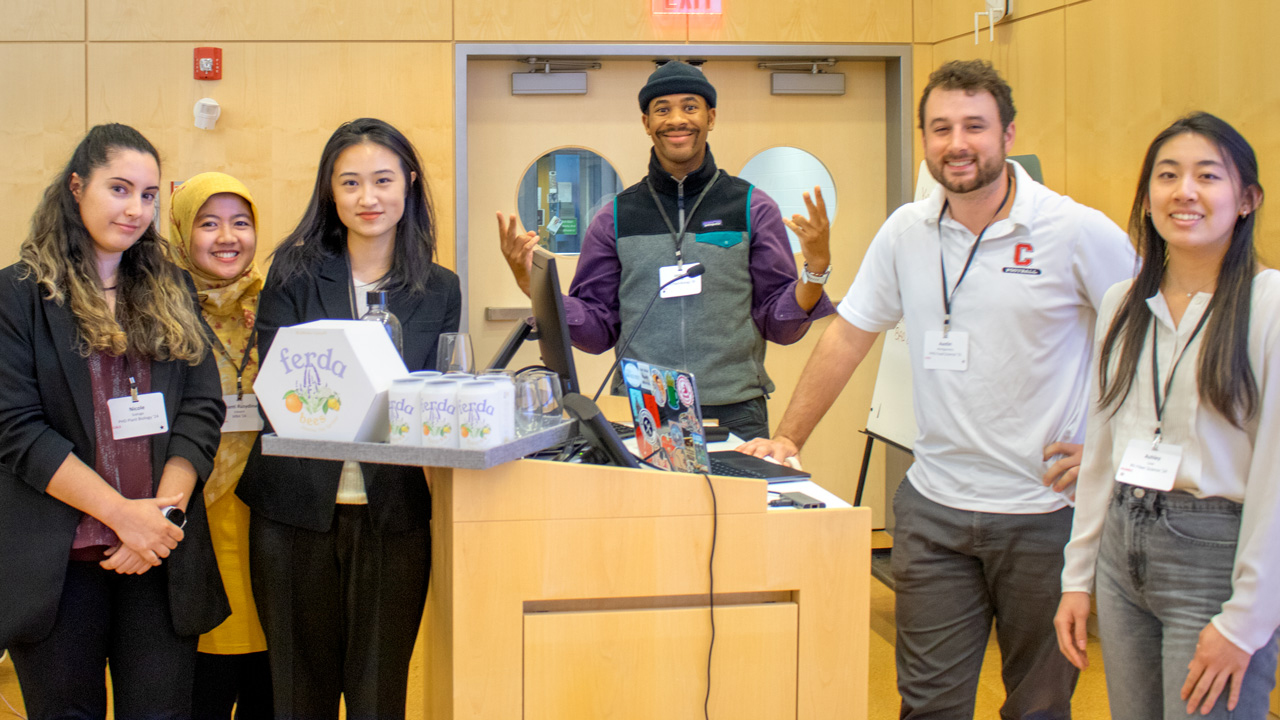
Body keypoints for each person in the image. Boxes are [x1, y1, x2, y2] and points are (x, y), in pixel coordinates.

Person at [740, 59, 1137, 718]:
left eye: (975, 126)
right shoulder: (906, 233)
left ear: (1008, 135)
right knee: (928, 708)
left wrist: (1108, 449)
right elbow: (847, 335)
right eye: (941, 127)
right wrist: (788, 436)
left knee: (1038, 709)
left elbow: (1148, 340)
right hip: (934, 514)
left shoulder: (1075, 231)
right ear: (925, 139)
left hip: (1045, 519)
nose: (958, 143)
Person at [1054, 112, 1280, 719]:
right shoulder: (1122, 304)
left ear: (1247, 198)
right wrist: (1078, 577)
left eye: (1208, 176)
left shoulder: (1269, 306)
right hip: (1124, 550)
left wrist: (1245, 621)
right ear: (1148, 197)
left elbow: (1276, 482)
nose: (1184, 192)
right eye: (1167, 175)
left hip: (1214, 557)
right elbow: (1101, 452)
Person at [0, 123, 229, 718]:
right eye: (120, 189)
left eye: (149, 195)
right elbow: (17, 431)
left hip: (158, 557)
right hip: (58, 564)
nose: (135, 209)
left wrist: (163, 519)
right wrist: (124, 516)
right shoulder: (18, 295)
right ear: (77, 187)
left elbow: (202, 410)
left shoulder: (173, 287)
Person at [236, 118, 461, 719]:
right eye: (351, 182)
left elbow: (433, 397)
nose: (368, 198)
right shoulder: (292, 274)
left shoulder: (440, 289)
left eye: (383, 180)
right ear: (330, 192)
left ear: (408, 184)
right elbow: (277, 392)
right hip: (294, 512)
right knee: (297, 694)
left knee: (379, 694)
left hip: (395, 515)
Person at [497, 60, 835, 440]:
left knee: (736, 503)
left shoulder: (752, 207)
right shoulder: (614, 217)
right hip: (641, 409)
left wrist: (816, 269)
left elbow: (781, 325)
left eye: (690, 107)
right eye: (663, 109)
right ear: (646, 123)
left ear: (711, 117)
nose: (677, 119)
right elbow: (596, 331)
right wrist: (534, 287)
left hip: (736, 412)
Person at [169, 172, 274, 718]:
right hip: (191, 512)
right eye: (208, 223)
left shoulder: (278, 302)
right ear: (183, 233)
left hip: (268, 508)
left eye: (240, 222)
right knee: (201, 676)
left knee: (270, 670)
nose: (227, 236)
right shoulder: (159, 311)